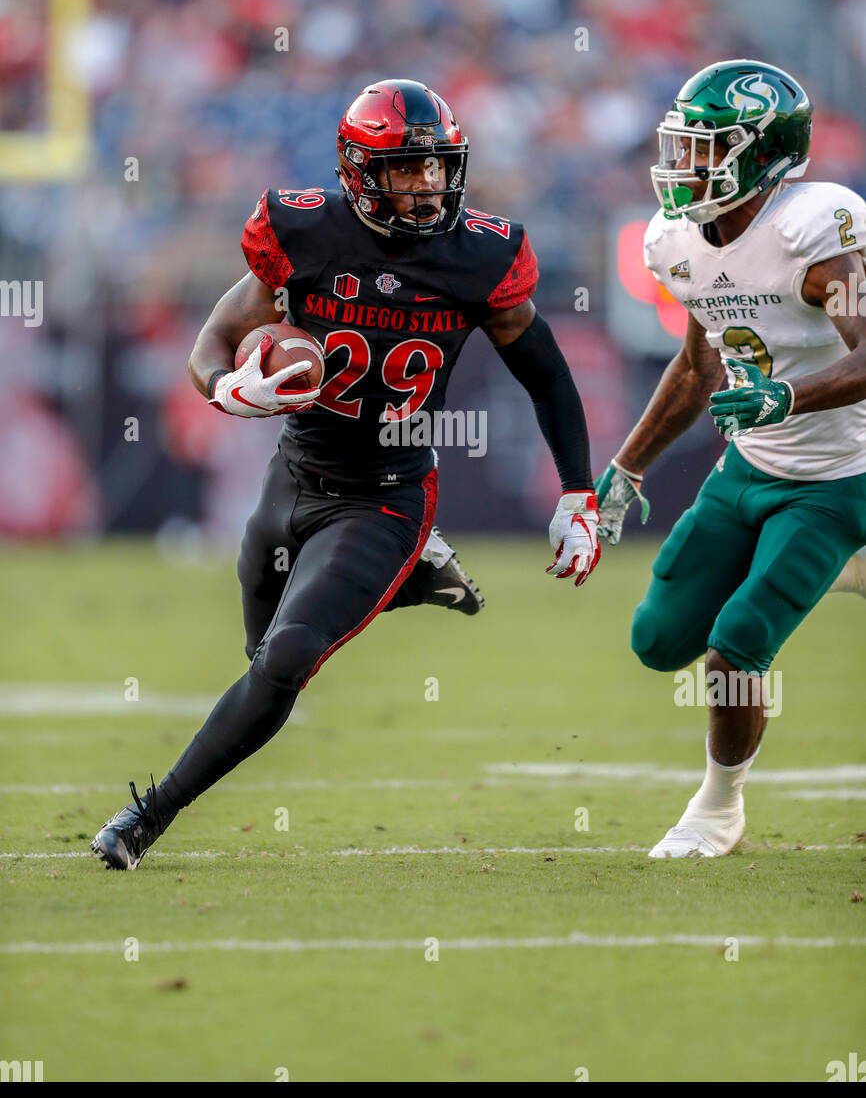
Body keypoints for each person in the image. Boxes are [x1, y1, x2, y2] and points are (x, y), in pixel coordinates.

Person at [92, 78, 601, 870]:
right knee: (264, 663)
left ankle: (144, 818)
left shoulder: (481, 255)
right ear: (360, 172)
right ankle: (412, 580)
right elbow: (214, 340)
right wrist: (226, 388)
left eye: (438, 167)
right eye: (407, 169)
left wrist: (578, 489)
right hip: (293, 478)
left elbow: (548, 376)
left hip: (388, 494)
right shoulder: (305, 234)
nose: (429, 186)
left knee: (287, 658)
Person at [594, 59, 866, 859]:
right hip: (747, 469)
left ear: (764, 156)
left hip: (838, 478)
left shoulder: (812, 234)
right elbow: (698, 365)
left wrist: (787, 397)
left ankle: (718, 808)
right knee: (656, 641)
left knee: (738, 642)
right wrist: (629, 465)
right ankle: (846, 570)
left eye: (708, 150)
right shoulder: (676, 243)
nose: (686, 166)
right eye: (682, 147)